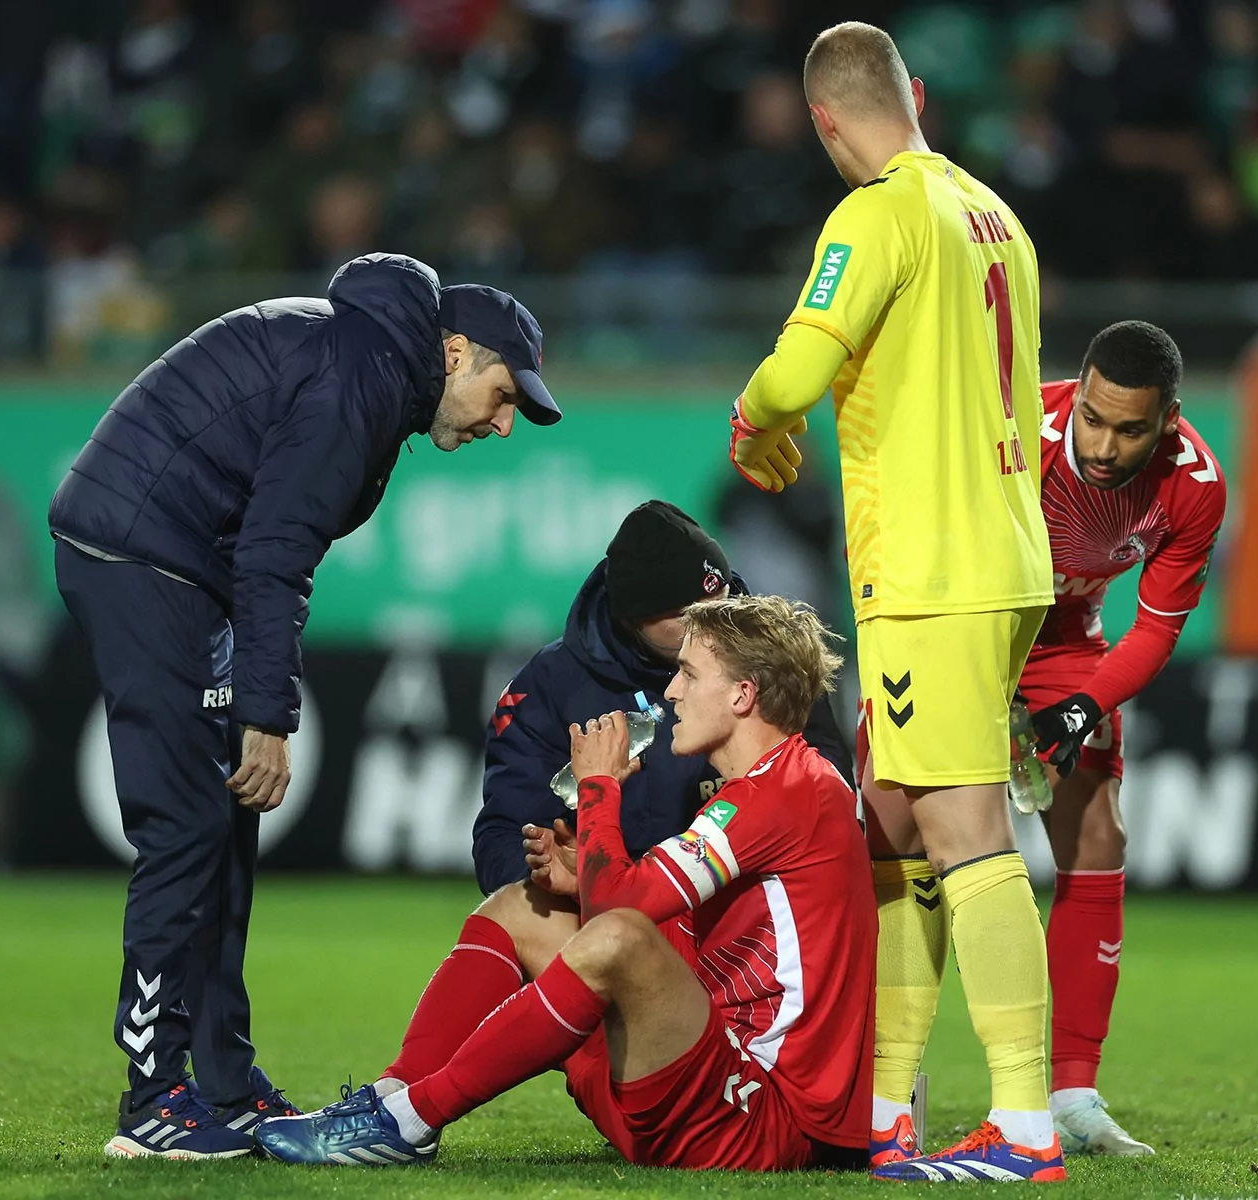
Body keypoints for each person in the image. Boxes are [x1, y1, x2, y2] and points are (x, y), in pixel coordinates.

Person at [48, 252, 559, 1160]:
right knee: (185, 830)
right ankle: (153, 1099)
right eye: (505, 391)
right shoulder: (360, 378)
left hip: (168, 558)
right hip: (141, 555)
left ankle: (222, 1082)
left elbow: (266, 543)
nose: (506, 421)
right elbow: (276, 554)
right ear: (453, 352)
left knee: (222, 829)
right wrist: (267, 715)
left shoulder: (368, 364)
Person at [726, 21, 1061, 1182]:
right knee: (892, 820)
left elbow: (794, 371)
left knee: (965, 830)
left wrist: (759, 417)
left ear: (826, 122)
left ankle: (1022, 1124)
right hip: (1003, 559)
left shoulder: (872, 214)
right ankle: (884, 1106)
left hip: (935, 572)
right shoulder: (994, 216)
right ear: (912, 94)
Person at [255, 595, 876, 1171]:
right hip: (703, 1075)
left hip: (762, 1117)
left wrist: (598, 787)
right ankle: (391, 1104)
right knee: (525, 907)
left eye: (688, 674)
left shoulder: (787, 789)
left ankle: (412, 1119)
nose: (671, 690)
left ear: (743, 694)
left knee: (616, 939)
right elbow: (701, 935)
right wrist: (584, 877)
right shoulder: (778, 784)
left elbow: (620, 920)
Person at [387, 498, 852, 1086]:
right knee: (519, 906)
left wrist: (614, 860)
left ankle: (880, 1100)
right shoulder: (550, 690)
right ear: (634, 615)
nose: (711, 618)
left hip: (744, 952)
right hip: (630, 939)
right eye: (688, 612)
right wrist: (560, 866)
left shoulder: (766, 662)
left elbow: (830, 815)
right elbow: (504, 835)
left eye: (722, 597)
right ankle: (396, 1097)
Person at [1019, 321, 1227, 1155]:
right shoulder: (1012, 430)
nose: (1103, 446)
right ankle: (881, 1078)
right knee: (898, 832)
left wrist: (1079, 710)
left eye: (1130, 428)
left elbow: (1153, 631)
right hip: (961, 625)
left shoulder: (1196, 485)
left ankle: (1072, 1096)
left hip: (1066, 638)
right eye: (1093, 419)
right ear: (1076, 391)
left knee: (1100, 831)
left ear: (1170, 420)